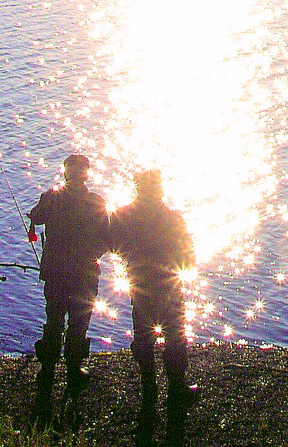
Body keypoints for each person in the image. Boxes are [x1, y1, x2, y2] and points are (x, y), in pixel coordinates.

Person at [110, 169, 196, 446]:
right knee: (175, 335)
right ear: (159, 189)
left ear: (136, 189)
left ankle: (149, 390)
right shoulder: (172, 217)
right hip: (169, 284)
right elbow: (189, 258)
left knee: (144, 335)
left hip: (139, 283)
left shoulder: (123, 215)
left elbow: (113, 246)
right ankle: (177, 388)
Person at [28, 154, 109, 427]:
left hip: (56, 273)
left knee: (54, 321)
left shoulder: (51, 198)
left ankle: (47, 370)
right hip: (86, 275)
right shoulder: (97, 202)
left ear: (65, 173)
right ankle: (75, 371)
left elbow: (36, 218)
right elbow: (107, 240)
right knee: (78, 325)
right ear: (86, 175)